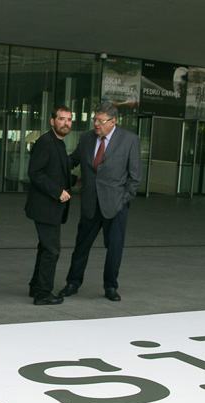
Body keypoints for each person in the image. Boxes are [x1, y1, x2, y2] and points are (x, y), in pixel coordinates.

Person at [58, 101, 141, 302]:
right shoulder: (86, 138)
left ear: (113, 121)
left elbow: (135, 177)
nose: (96, 124)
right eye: (95, 119)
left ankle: (110, 286)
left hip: (116, 206)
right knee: (81, 246)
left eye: (101, 121)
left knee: (114, 248)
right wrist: (52, 159)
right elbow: (71, 160)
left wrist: (122, 200)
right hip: (90, 202)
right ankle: (73, 283)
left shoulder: (129, 140)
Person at [25, 105, 73, 305]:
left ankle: (36, 287)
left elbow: (56, 170)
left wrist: (74, 180)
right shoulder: (45, 141)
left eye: (69, 119)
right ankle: (43, 294)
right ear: (52, 121)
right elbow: (35, 173)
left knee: (46, 248)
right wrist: (58, 191)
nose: (66, 123)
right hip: (45, 206)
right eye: (61, 119)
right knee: (52, 250)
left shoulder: (58, 142)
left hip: (50, 207)